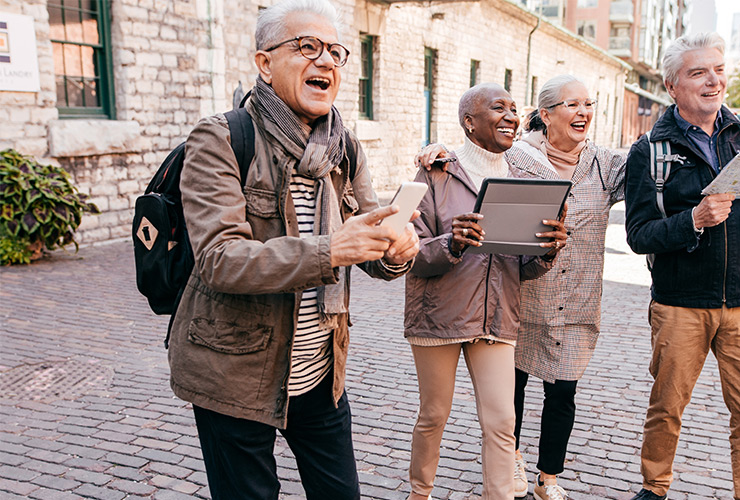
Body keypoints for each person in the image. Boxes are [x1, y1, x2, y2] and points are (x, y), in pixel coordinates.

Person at [166, 2, 419, 499]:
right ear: (264, 63)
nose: (325, 61)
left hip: (319, 370)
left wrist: (394, 249)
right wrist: (330, 250)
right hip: (232, 372)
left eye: (335, 52)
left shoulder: (343, 146)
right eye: (307, 47)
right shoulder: (221, 138)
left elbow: (364, 242)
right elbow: (220, 260)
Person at [623, 32, 740, 500]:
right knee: (666, 408)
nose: (714, 81)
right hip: (681, 301)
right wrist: (693, 221)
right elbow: (639, 234)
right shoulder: (650, 150)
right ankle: (655, 487)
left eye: (719, 70)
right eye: (699, 72)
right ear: (672, 86)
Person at [405, 83, 568, 500]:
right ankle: (419, 494)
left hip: (497, 317)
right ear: (469, 121)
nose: (512, 116)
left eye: (515, 109)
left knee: (501, 422)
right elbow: (411, 254)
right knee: (433, 415)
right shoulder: (434, 173)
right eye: (499, 108)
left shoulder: (521, 181)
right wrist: (452, 243)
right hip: (439, 315)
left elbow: (520, 266)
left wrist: (546, 251)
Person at [510, 75, 626, 500]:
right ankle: (512, 459)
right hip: (525, 294)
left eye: (588, 104)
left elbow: (652, 171)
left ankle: (549, 478)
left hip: (577, 299)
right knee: (513, 387)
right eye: (572, 105)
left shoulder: (606, 165)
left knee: (563, 393)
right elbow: (473, 161)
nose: (583, 112)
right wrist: (439, 151)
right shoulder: (516, 159)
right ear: (545, 114)